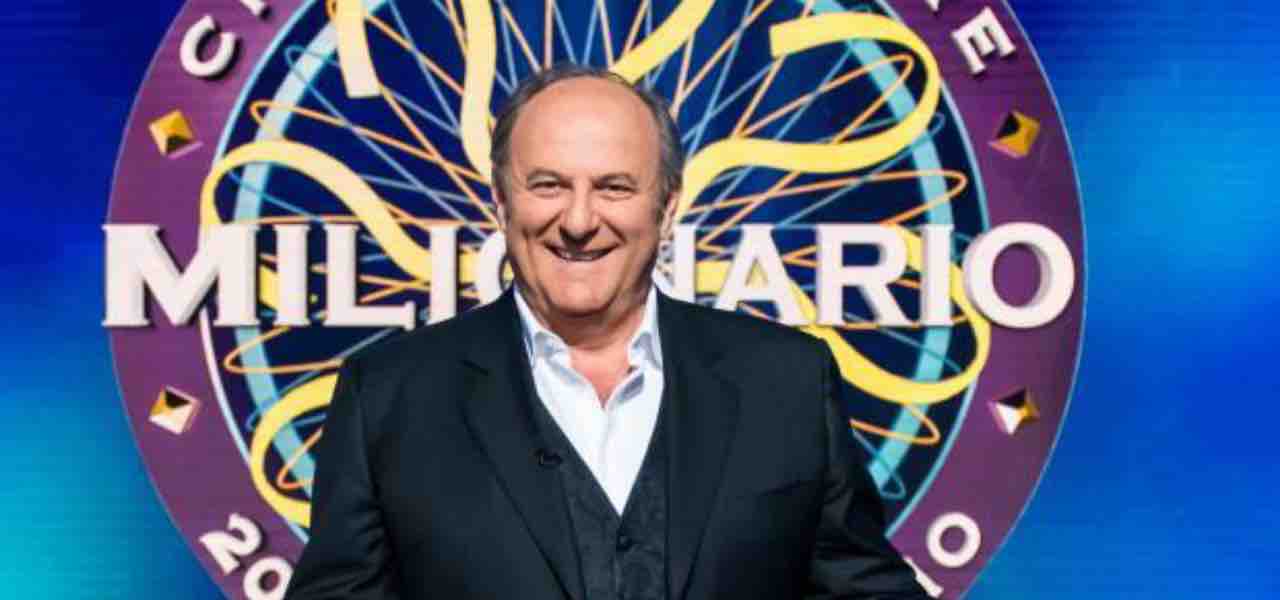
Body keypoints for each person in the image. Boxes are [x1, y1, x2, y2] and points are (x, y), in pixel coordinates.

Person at [285, 64, 928, 600]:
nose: (579, 220)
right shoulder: (388, 398)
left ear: (667, 208)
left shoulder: (788, 382)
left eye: (614, 188)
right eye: (548, 186)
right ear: (502, 203)